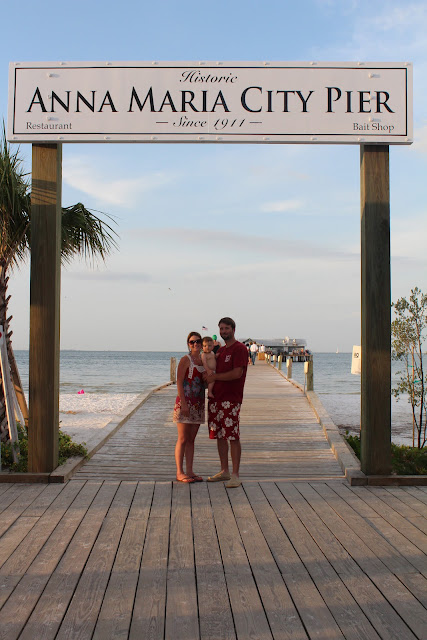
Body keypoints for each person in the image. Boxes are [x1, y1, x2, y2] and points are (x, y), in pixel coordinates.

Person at [205, 317, 248, 488]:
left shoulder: (240, 349)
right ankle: (224, 471)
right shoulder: (220, 351)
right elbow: (211, 369)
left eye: (226, 328)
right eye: (221, 329)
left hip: (231, 399)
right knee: (220, 435)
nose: (224, 331)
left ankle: (235, 475)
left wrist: (215, 377)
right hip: (216, 398)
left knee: (232, 435)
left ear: (233, 329)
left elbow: (237, 373)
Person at [173, 331, 205, 483]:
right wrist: (184, 404)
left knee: (192, 439)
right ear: (188, 344)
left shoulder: (203, 360)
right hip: (185, 403)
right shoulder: (186, 360)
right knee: (183, 438)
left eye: (198, 341)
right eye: (192, 342)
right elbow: (179, 381)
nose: (195, 344)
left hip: (198, 404)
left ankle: (190, 471)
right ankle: (180, 472)